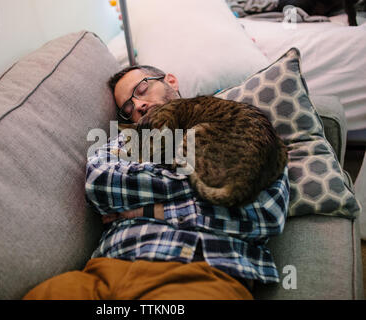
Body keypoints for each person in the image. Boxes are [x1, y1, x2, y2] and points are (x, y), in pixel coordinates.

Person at [23, 65, 290, 300]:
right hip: (106, 270)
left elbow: (265, 215)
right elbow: (99, 184)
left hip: (203, 269)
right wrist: (198, 188)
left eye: (141, 89)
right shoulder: (128, 139)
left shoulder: (245, 131)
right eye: (127, 108)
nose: (137, 105)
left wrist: (147, 209)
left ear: (170, 81)